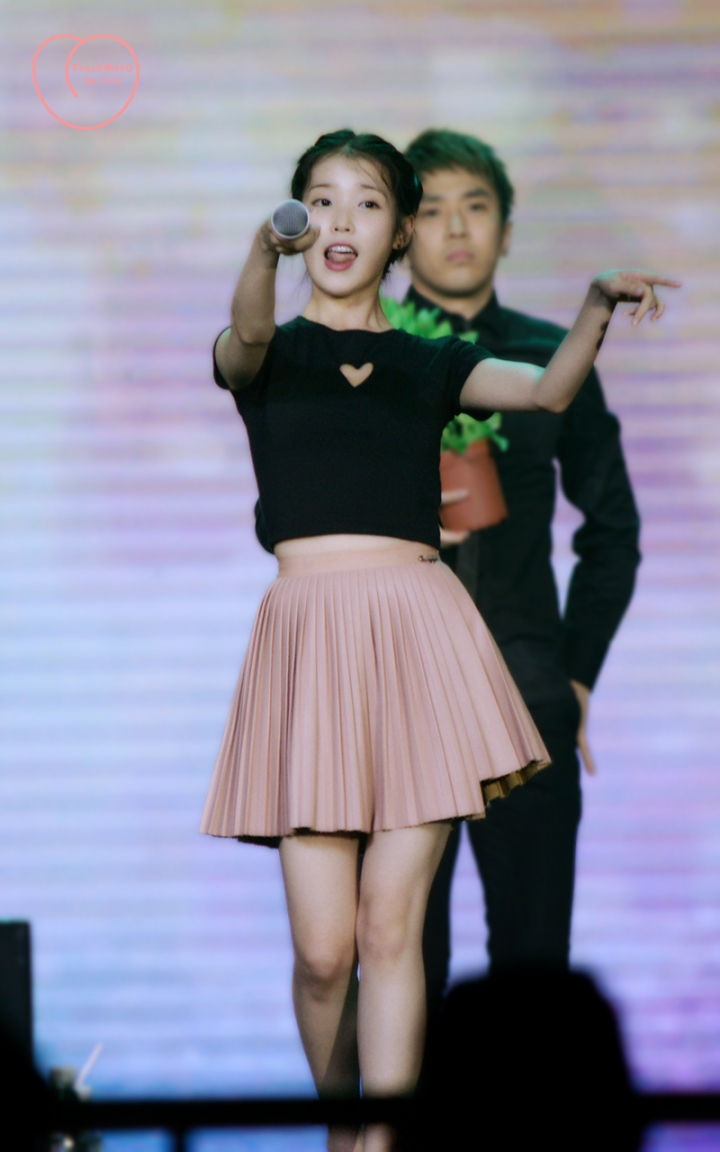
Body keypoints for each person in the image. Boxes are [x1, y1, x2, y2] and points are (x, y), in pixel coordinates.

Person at [200, 127, 676, 1152]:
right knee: (323, 953)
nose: (342, 220)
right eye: (323, 199)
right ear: (298, 218)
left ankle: (379, 1145)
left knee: (391, 928)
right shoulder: (267, 354)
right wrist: (262, 250)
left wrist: (596, 307)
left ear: (399, 232)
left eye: (368, 202)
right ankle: (344, 1128)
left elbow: (546, 390)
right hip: (310, 643)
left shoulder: (431, 362)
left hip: (419, 638)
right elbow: (244, 333)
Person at [396, 129, 647, 1005]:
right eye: (432, 209)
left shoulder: (552, 355)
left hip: (526, 687)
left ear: (506, 231)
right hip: (395, 692)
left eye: (476, 207)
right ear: (401, 233)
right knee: (396, 963)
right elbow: (281, 517)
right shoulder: (365, 351)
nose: (456, 228)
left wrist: (574, 675)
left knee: (534, 974)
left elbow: (613, 529)